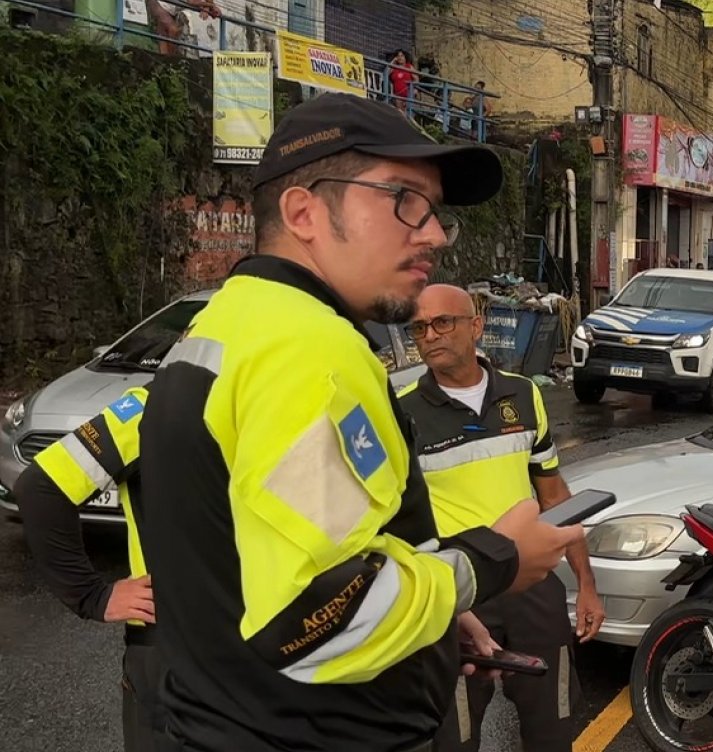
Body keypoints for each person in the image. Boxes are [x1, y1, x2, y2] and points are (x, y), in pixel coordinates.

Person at [136, 93, 584, 752]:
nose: (433, 233)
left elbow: (270, 564)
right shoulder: (310, 350)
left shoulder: (230, 325)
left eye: (434, 211)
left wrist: (430, 623)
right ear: (304, 212)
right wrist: (492, 562)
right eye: (403, 198)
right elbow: (313, 618)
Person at [399, 285, 605, 752]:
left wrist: (586, 584)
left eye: (442, 323)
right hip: (462, 596)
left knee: (552, 730)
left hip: (532, 588)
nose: (430, 336)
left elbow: (554, 497)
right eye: (419, 327)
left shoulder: (524, 394)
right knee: (455, 737)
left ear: (475, 327)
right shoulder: (403, 412)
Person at [14, 387, 164, 751]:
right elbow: (41, 487)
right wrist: (90, 596)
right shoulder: (152, 406)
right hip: (177, 648)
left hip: (182, 652)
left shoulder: (155, 402)